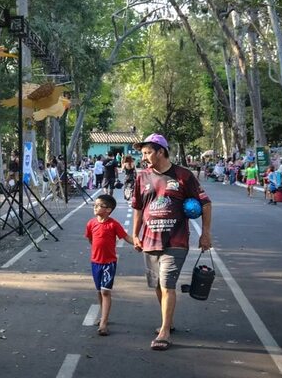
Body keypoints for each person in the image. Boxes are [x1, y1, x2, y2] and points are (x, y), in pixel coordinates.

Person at [132, 133, 212, 351]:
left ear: (161, 151)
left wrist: (205, 234)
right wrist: (135, 234)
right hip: (150, 240)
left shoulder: (184, 175)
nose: (145, 157)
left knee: (167, 284)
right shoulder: (142, 177)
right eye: (143, 153)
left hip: (176, 240)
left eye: (148, 152)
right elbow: (138, 208)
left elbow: (205, 204)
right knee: (157, 285)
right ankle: (168, 320)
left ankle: (165, 331)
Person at [84, 194, 135, 336]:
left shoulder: (113, 224)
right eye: (95, 204)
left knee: (106, 291)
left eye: (99, 205)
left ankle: (104, 322)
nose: (95, 207)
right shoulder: (91, 223)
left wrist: (138, 243)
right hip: (95, 262)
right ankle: (103, 315)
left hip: (109, 263)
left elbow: (126, 237)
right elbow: (90, 239)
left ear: (108, 209)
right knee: (99, 291)